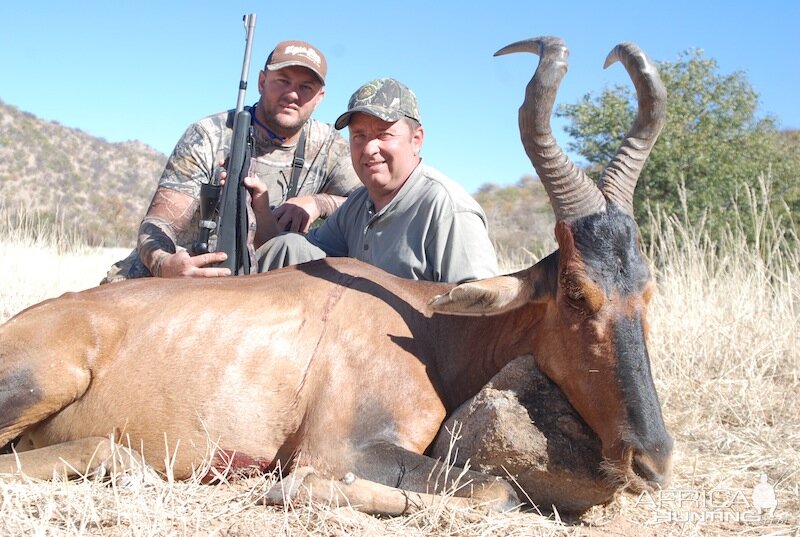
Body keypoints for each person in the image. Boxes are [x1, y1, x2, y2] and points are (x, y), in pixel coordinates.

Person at [102, 40, 360, 282]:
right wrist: (164, 263)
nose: (292, 94)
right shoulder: (208, 135)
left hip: (268, 279)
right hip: (192, 271)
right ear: (261, 82)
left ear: (320, 98)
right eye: (282, 81)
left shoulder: (328, 146)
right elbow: (159, 223)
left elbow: (373, 203)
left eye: (306, 87)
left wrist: (319, 202)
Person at [253, 78, 498, 283]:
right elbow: (299, 253)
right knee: (287, 246)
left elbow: (482, 310)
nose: (369, 148)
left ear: (417, 139)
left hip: (415, 339)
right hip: (352, 330)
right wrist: (261, 211)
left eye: (384, 134)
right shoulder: (359, 203)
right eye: (359, 135)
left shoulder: (447, 207)